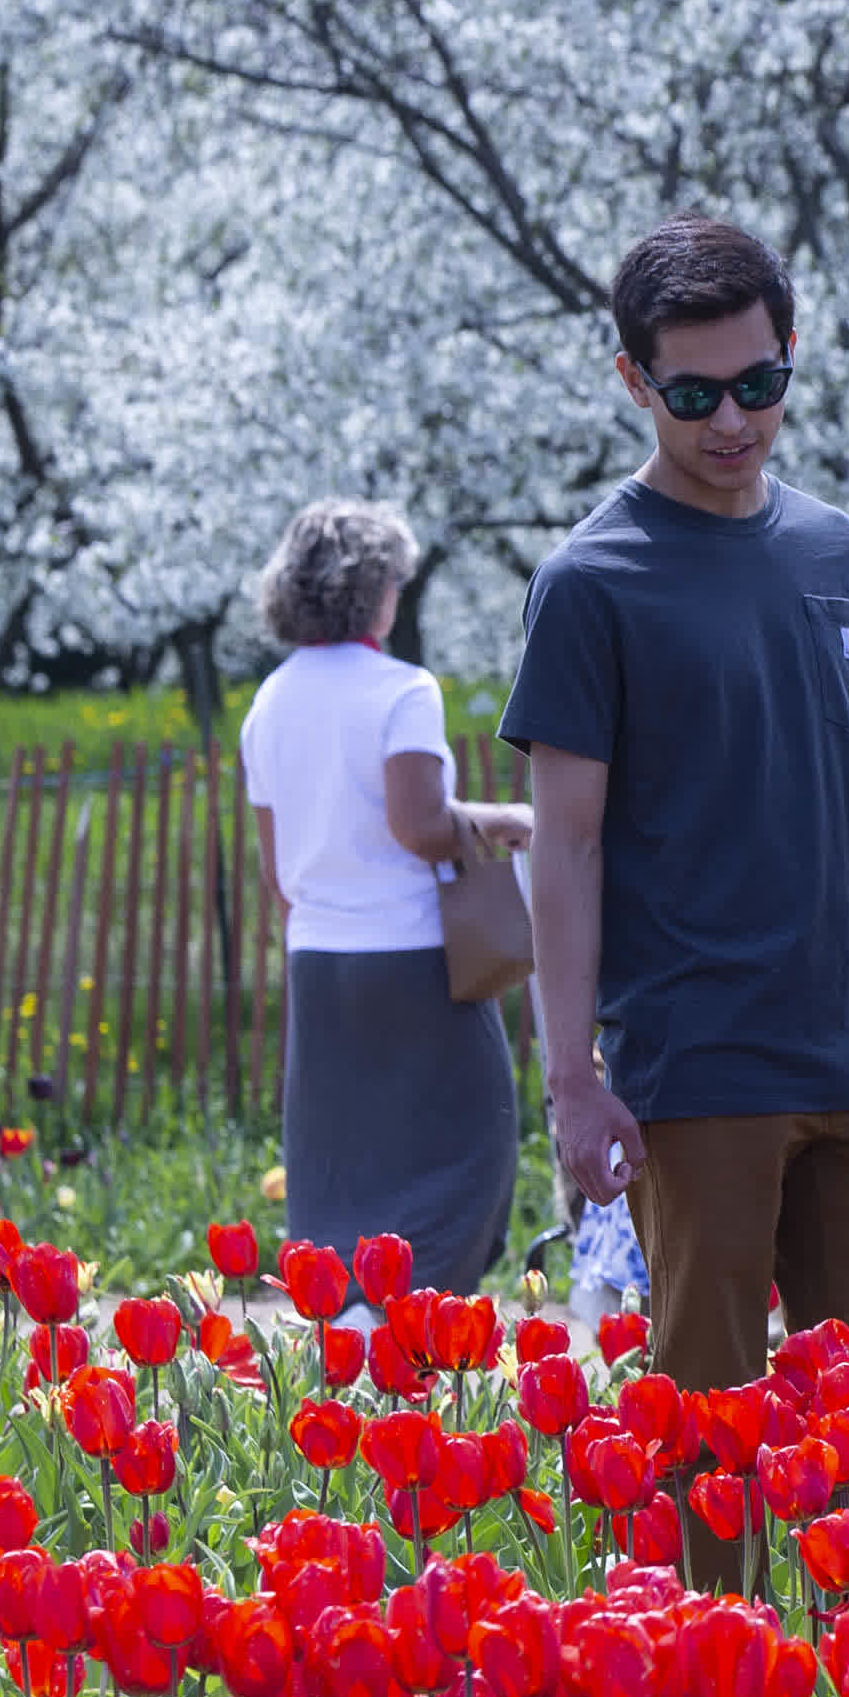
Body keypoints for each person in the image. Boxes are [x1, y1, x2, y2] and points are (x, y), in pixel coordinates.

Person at [502, 216, 849, 1511]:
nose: (734, 418)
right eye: (694, 394)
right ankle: (713, 1649)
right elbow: (565, 843)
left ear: (791, 352)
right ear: (633, 379)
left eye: (760, 382)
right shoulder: (591, 582)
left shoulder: (835, 552)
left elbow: (843, 768)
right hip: (698, 1065)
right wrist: (571, 1082)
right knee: (712, 1449)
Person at [238, 500, 529, 1295]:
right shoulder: (404, 690)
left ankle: (346, 1315)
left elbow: (277, 871)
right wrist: (505, 818)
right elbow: (421, 827)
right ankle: (419, 1316)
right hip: (417, 957)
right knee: (473, 1139)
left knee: (340, 1159)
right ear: (376, 591)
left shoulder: (269, 702)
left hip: (319, 961)